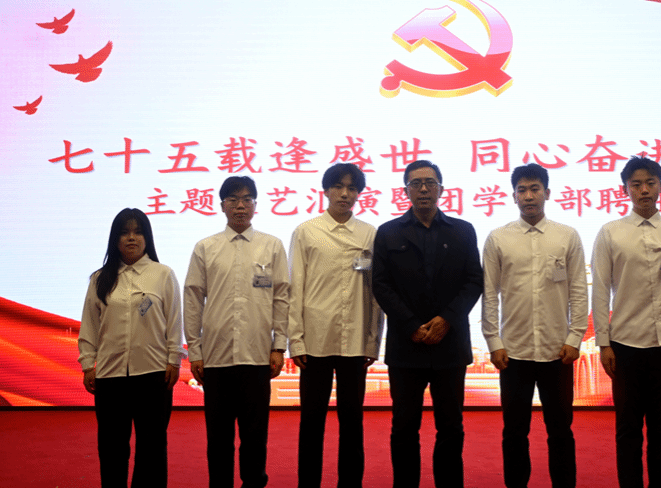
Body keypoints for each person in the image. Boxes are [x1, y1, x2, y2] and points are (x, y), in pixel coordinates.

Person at [591, 156, 661, 488]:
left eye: (650, 183)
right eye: (636, 184)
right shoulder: (611, 233)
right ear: (625, 189)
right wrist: (603, 343)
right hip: (625, 345)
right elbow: (600, 289)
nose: (643, 190)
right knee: (627, 429)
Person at [372, 159, 483, 488]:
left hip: (450, 345)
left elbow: (473, 281)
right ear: (405, 190)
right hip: (407, 346)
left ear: (441, 189)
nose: (423, 189)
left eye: (430, 183)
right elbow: (381, 285)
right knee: (404, 427)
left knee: (451, 426)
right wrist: (411, 324)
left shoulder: (462, 230)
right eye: (416, 183)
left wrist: (446, 319)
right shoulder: (388, 232)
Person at [482, 164, 588, 488]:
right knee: (515, 431)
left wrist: (575, 336)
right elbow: (489, 293)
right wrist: (494, 341)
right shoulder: (498, 238)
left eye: (535, 189)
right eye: (522, 190)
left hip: (558, 351)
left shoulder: (566, 236)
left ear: (547, 193)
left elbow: (578, 290)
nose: (529, 196)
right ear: (513, 196)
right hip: (513, 352)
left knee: (560, 430)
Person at [184, 176, 289, 488]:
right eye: (233, 200)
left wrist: (279, 346)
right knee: (218, 436)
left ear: (256, 205)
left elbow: (282, 297)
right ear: (222, 206)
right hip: (216, 357)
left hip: (257, 355)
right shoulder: (206, 248)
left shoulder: (271, 246)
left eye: (246, 199)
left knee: (255, 434)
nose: (240, 206)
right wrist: (195, 351)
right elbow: (193, 300)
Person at [288, 163, 384, 488]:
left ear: (359, 193)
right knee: (311, 422)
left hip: (355, 342)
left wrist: (373, 341)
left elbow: (375, 293)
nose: (345, 194)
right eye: (338, 187)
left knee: (352, 422)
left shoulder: (369, 234)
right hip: (315, 342)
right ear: (326, 190)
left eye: (352, 188)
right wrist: (296, 340)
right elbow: (295, 288)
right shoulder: (306, 231)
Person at [78, 208, 183, 488]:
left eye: (138, 232)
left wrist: (174, 359)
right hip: (110, 376)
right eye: (124, 233)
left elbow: (175, 320)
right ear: (115, 239)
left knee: (152, 447)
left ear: (147, 237)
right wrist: (88, 364)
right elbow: (90, 324)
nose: (131, 238)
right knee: (112, 447)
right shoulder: (100, 278)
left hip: (154, 374)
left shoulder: (163, 274)